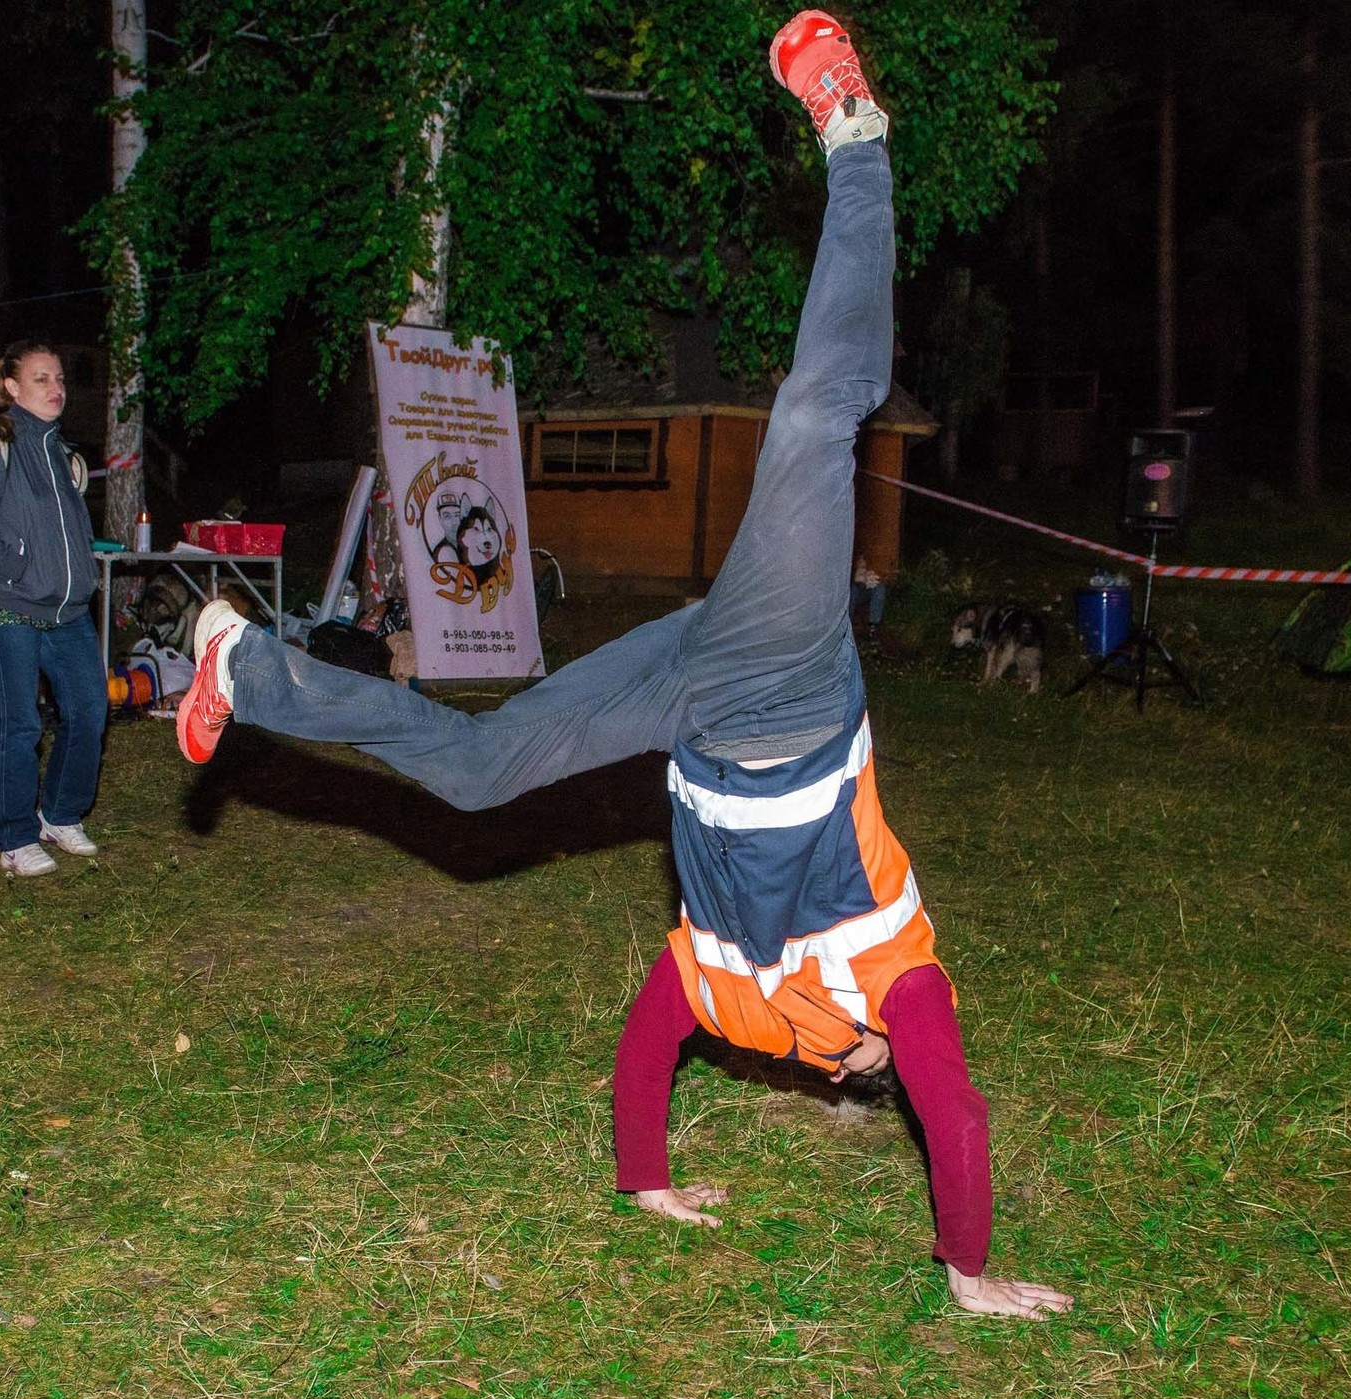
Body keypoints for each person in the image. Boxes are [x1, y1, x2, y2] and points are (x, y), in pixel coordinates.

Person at [170, 15, 1071, 1320]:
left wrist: (647, 1183)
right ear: (867, 1055)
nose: (858, 1065)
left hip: (685, 702)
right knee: (812, 421)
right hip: (785, 682)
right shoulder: (898, 976)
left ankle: (243, 661)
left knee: (479, 776)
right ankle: (857, 137)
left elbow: (647, 1047)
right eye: (865, 1069)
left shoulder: (731, 996)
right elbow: (956, 1107)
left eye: (854, 1071)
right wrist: (969, 1271)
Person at [0, 341, 108, 875]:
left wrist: (81, 571)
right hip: (8, 608)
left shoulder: (59, 450)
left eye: (59, 378)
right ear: (11, 387)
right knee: (19, 726)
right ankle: (16, 839)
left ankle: (60, 814)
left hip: (67, 611)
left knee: (89, 710)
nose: (56, 388)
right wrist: (18, 567)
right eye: (42, 378)